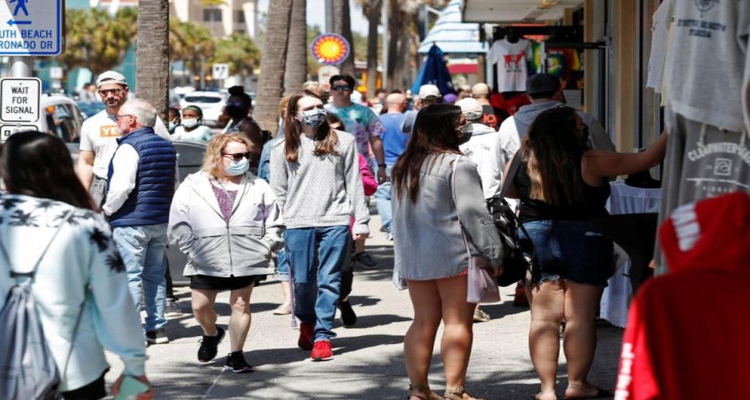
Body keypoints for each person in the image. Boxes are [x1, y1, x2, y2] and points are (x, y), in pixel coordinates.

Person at [502, 106, 667, 400]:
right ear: (567, 132)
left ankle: (547, 390)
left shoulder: (524, 158)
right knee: (580, 318)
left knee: (543, 319)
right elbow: (648, 159)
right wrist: (674, 127)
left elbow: (509, 191)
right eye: (580, 127)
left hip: (535, 236)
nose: (584, 130)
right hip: (585, 235)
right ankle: (577, 385)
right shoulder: (590, 160)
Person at [0, 131, 152, 400]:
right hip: (73, 366)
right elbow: (114, 300)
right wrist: (133, 365)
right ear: (61, 167)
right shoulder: (85, 224)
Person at [392, 104, 504, 400]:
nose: (465, 127)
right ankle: (455, 390)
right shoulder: (457, 164)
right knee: (457, 322)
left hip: (415, 256)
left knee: (422, 321)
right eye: (461, 122)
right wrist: (495, 252)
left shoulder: (405, 165)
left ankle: (419, 390)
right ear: (445, 128)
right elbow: (475, 215)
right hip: (454, 253)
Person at [168, 133, 283, 372]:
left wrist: (267, 244)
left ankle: (236, 354)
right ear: (217, 156)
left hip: (247, 254)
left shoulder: (258, 185)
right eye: (236, 155)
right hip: (206, 255)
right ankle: (212, 333)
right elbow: (178, 219)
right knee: (199, 306)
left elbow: (275, 220)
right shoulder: (193, 184)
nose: (243, 160)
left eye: (246, 155)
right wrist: (191, 247)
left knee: (241, 304)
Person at [270, 90, 370, 361]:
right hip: (297, 223)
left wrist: (360, 219)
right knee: (302, 281)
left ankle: (323, 335)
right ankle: (306, 322)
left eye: (319, 105)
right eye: (309, 107)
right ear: (294, 115)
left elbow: (354, 183)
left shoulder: (344, 141)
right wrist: (278, 227)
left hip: (335, 221)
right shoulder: (281, 149)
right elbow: (278, 191)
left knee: (329, 280)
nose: (317, 110)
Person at [102, 99, 177, 345]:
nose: (117, 120)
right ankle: (157, 329)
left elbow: (122, 187)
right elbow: (173, 183)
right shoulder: (166, 146)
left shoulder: (129, 147)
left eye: (120, 117)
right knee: (154, 275)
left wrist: (107, 210)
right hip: (159, 220)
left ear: (132, 120)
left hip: (130, 220)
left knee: (129, 276)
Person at [455, 97, 520, 324]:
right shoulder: (496, 137)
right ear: (483, 115)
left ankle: (472, 302)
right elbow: (508, 168)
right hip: (493, 202)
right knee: (487, 253)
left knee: (467, 253)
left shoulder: (454, 139)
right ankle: (475, 301)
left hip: (461, 201)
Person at [76, 70, 171, 209]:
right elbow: (86, 162)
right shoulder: (91, 124)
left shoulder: (147, 118)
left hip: (140, 186)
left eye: (115, 91)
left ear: (126, 90)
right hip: (102, 185)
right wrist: (83, 195)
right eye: (104, 92)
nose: (109, 96)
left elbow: (166, 151)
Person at [325, 73, 386, 269]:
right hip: (328, 166)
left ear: (352, 90)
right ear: (331, 88)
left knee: (361, 207)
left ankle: (360, 250)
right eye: (336, 87)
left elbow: (375, 140)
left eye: (345, 87)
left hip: (360, 166)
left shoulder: (364, 112)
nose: (340, 90)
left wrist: (381, 166)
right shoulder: (322, 112)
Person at [326, 112, 378, 327]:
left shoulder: (355, 156)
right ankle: (322, 317)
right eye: (330, 130)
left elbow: (371, 185)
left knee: (345, 270)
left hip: (344, 223)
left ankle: (343, 299)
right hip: (313, 222)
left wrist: (354, 178)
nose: (335, 135)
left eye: (340, 129)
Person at [500, 73, 615, 151]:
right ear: (559, 92)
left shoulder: (510, 125)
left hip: (528, 186)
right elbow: (608, 155)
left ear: (529, 97)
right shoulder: (581, 119)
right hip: (575, 185)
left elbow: (502, 165)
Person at [258, 96, 293, 316]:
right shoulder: (272, 146)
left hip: (311, 209)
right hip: (280, 208)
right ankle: (289, 299)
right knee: (282, 252)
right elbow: (262, 177)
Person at [375, 93, 409, 240]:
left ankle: (390, 227)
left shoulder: (378, 121)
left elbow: (374, 144)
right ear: (402, 104)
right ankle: (403, 226)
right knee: (404, 195)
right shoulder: (408, 120)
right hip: (405, 163)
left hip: (383, 163)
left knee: (383, 196)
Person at [221, 85, 265, 168]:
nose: (232, 106)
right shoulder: (232, 122)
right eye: (230, 103)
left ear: (247, 107)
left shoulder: (248, 125)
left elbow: (256, 151)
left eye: (238, 104)